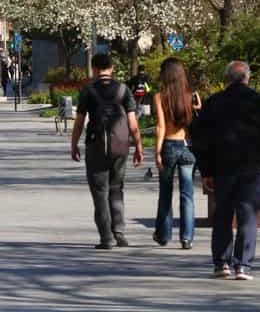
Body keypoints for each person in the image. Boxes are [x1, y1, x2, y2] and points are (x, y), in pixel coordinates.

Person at [189, 61, 260, 281]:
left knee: (222, 215)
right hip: (251, 168)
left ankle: (222, 263)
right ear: (247, 78)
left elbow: (199, 137)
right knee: (248, 216)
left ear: (227, 79)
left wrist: (206, 170)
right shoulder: (259, 102)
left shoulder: (214, 102)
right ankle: (243, 265)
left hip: (222, 168)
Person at [70, 53, 143, 248]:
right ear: (112, 68)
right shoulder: (123, 90)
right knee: (117, 188)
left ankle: (106, 238)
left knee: (100, 192)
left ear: (94, 69)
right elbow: (133, 123)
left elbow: (78, 123)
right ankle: (119, 232)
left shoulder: (88, 91)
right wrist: (138, 146)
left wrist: (74, 144)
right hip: (120, 146)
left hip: (96, 147)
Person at [151, 57, 198, 249]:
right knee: (187, 195)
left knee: (165, 193)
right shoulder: (191, 96)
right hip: (187, 147)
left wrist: (157, 152)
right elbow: (197, 119)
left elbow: (160, 126)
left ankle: (163, 234)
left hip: (169, 145)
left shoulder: (160, 97)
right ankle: (187, 237)